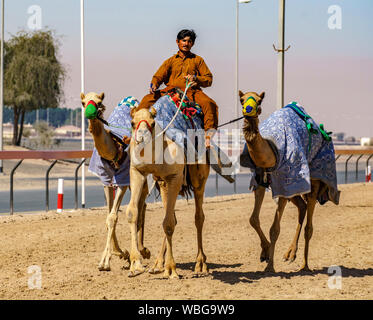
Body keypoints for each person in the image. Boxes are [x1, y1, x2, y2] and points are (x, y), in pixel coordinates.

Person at [138, 29, 218, 148]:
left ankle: (207, 138)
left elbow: (208, 79)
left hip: (191, 91)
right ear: (177, 42)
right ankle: (135, 131)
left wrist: (196, 78)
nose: (186, 43)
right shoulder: (170, 61)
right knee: (147, 99)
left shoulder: (198, 60)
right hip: (171, 91)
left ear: (193, 44)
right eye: (184, 40)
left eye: (189, 41)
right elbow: (159, 75)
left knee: (209, 103)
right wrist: (154, 84)